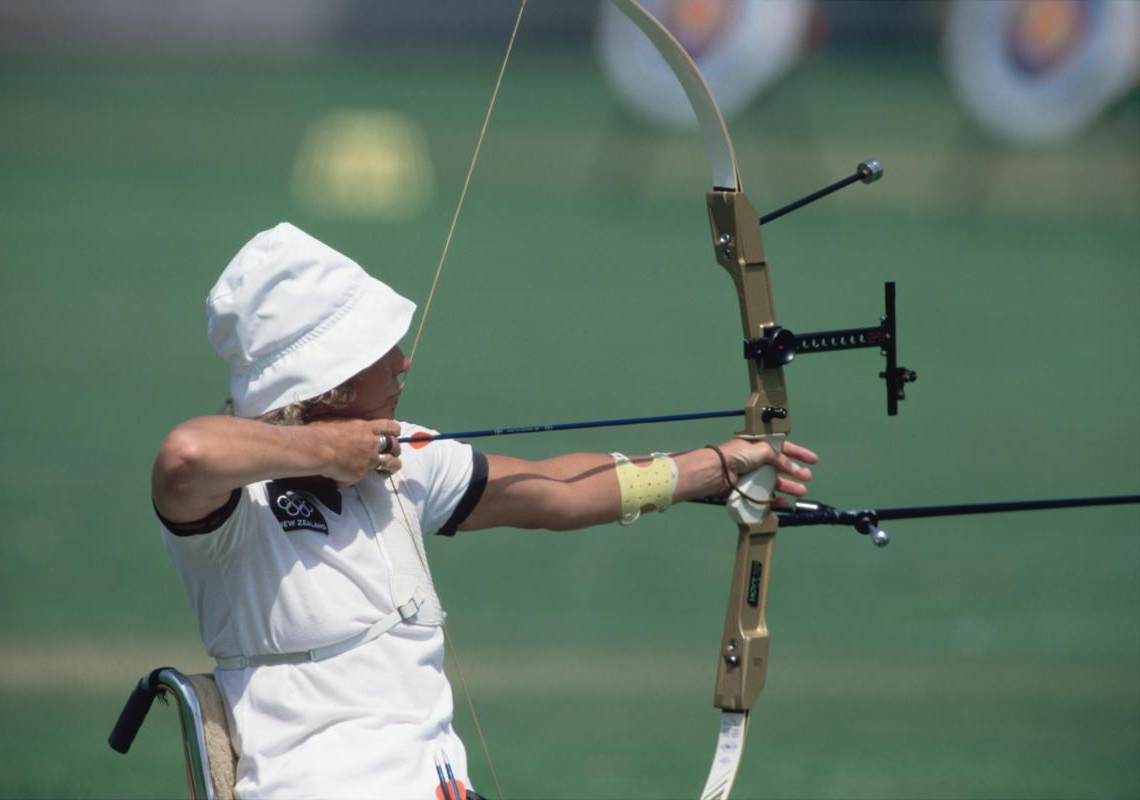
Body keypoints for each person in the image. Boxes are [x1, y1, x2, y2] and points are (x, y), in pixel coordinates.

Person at [152, 222, 818, 799]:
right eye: (384, 350)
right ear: (338, 378)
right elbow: (185, 455)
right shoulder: (234, 506)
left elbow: (556, 491)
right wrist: (327, 448)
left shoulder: (399, 458)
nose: (404, 361)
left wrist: (719, 464)